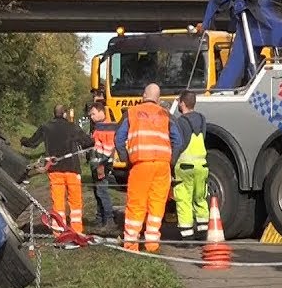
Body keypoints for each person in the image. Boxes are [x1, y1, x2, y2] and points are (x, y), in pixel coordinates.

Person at [114, 84, 182, 253]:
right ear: (158, 99)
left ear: (143, 95)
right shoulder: (167, 115)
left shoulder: (131, 113)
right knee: (157, 204)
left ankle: (131, 244)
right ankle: (152, 244)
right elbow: (179, 140)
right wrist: (171, 160)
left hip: (141, 165)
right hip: (162, 167)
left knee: (136, 204)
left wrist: (126, 158)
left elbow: (118, 138)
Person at [21, 104, 94, 234]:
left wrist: (23, 140)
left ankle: (58, 231)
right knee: (75, 202)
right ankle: (77, 231)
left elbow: (32, 143)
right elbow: (88, 142)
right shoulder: (72, 127)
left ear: (54, 114)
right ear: (65, 114)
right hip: (72, 169)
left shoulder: (46, 127)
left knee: (58, 203)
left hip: (54, 170)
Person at [171, 91, 211, 241]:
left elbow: (178, 144)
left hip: (184, 167)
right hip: (202, 165)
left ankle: (187, 236)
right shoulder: (202, 119)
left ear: (182, 103)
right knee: (200, 197)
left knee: (184, 199)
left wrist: (172, 162)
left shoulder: (180, 122)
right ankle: (203, 231)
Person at [86, 102, 118, 232]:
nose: (92, 117)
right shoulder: (99, 126)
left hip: (102, 165)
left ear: (101, 112)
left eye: (93, 114)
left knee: (102, 192)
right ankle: (100, 218)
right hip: (97, 164)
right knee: (97, 191)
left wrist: (101, 166)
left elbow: (108, 150)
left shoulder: (107, 127)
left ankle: (109, 219)